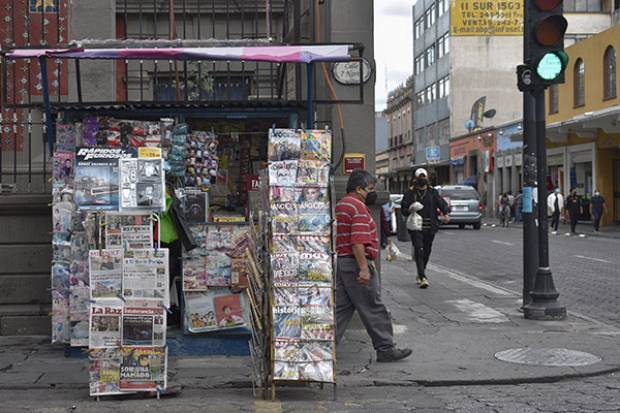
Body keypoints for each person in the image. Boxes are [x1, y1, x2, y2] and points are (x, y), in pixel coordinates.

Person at [335, 169, 412, 363]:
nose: (372, 192)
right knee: (373, 306)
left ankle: (323, 345)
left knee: (341, 309)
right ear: (359, 189)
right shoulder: (358, 208)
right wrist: (363, 268)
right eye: (369, 189)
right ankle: (385, 348)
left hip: (343, 262)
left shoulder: (342, 204)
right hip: (355, 263)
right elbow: (358, 241)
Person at [401, 168, 450, 289]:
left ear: (427, 179)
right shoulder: (410, 193)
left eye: (424, 177)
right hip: (416, 227)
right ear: (415, 179)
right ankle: (423, 277)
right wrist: (410, 209)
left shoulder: (432, 192)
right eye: (419, 178)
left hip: (430, 226)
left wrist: (446, 213)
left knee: (427, 250)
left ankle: (420, 272)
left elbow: (441, 203)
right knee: (419, 249)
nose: (422, 180)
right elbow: (403, 209)